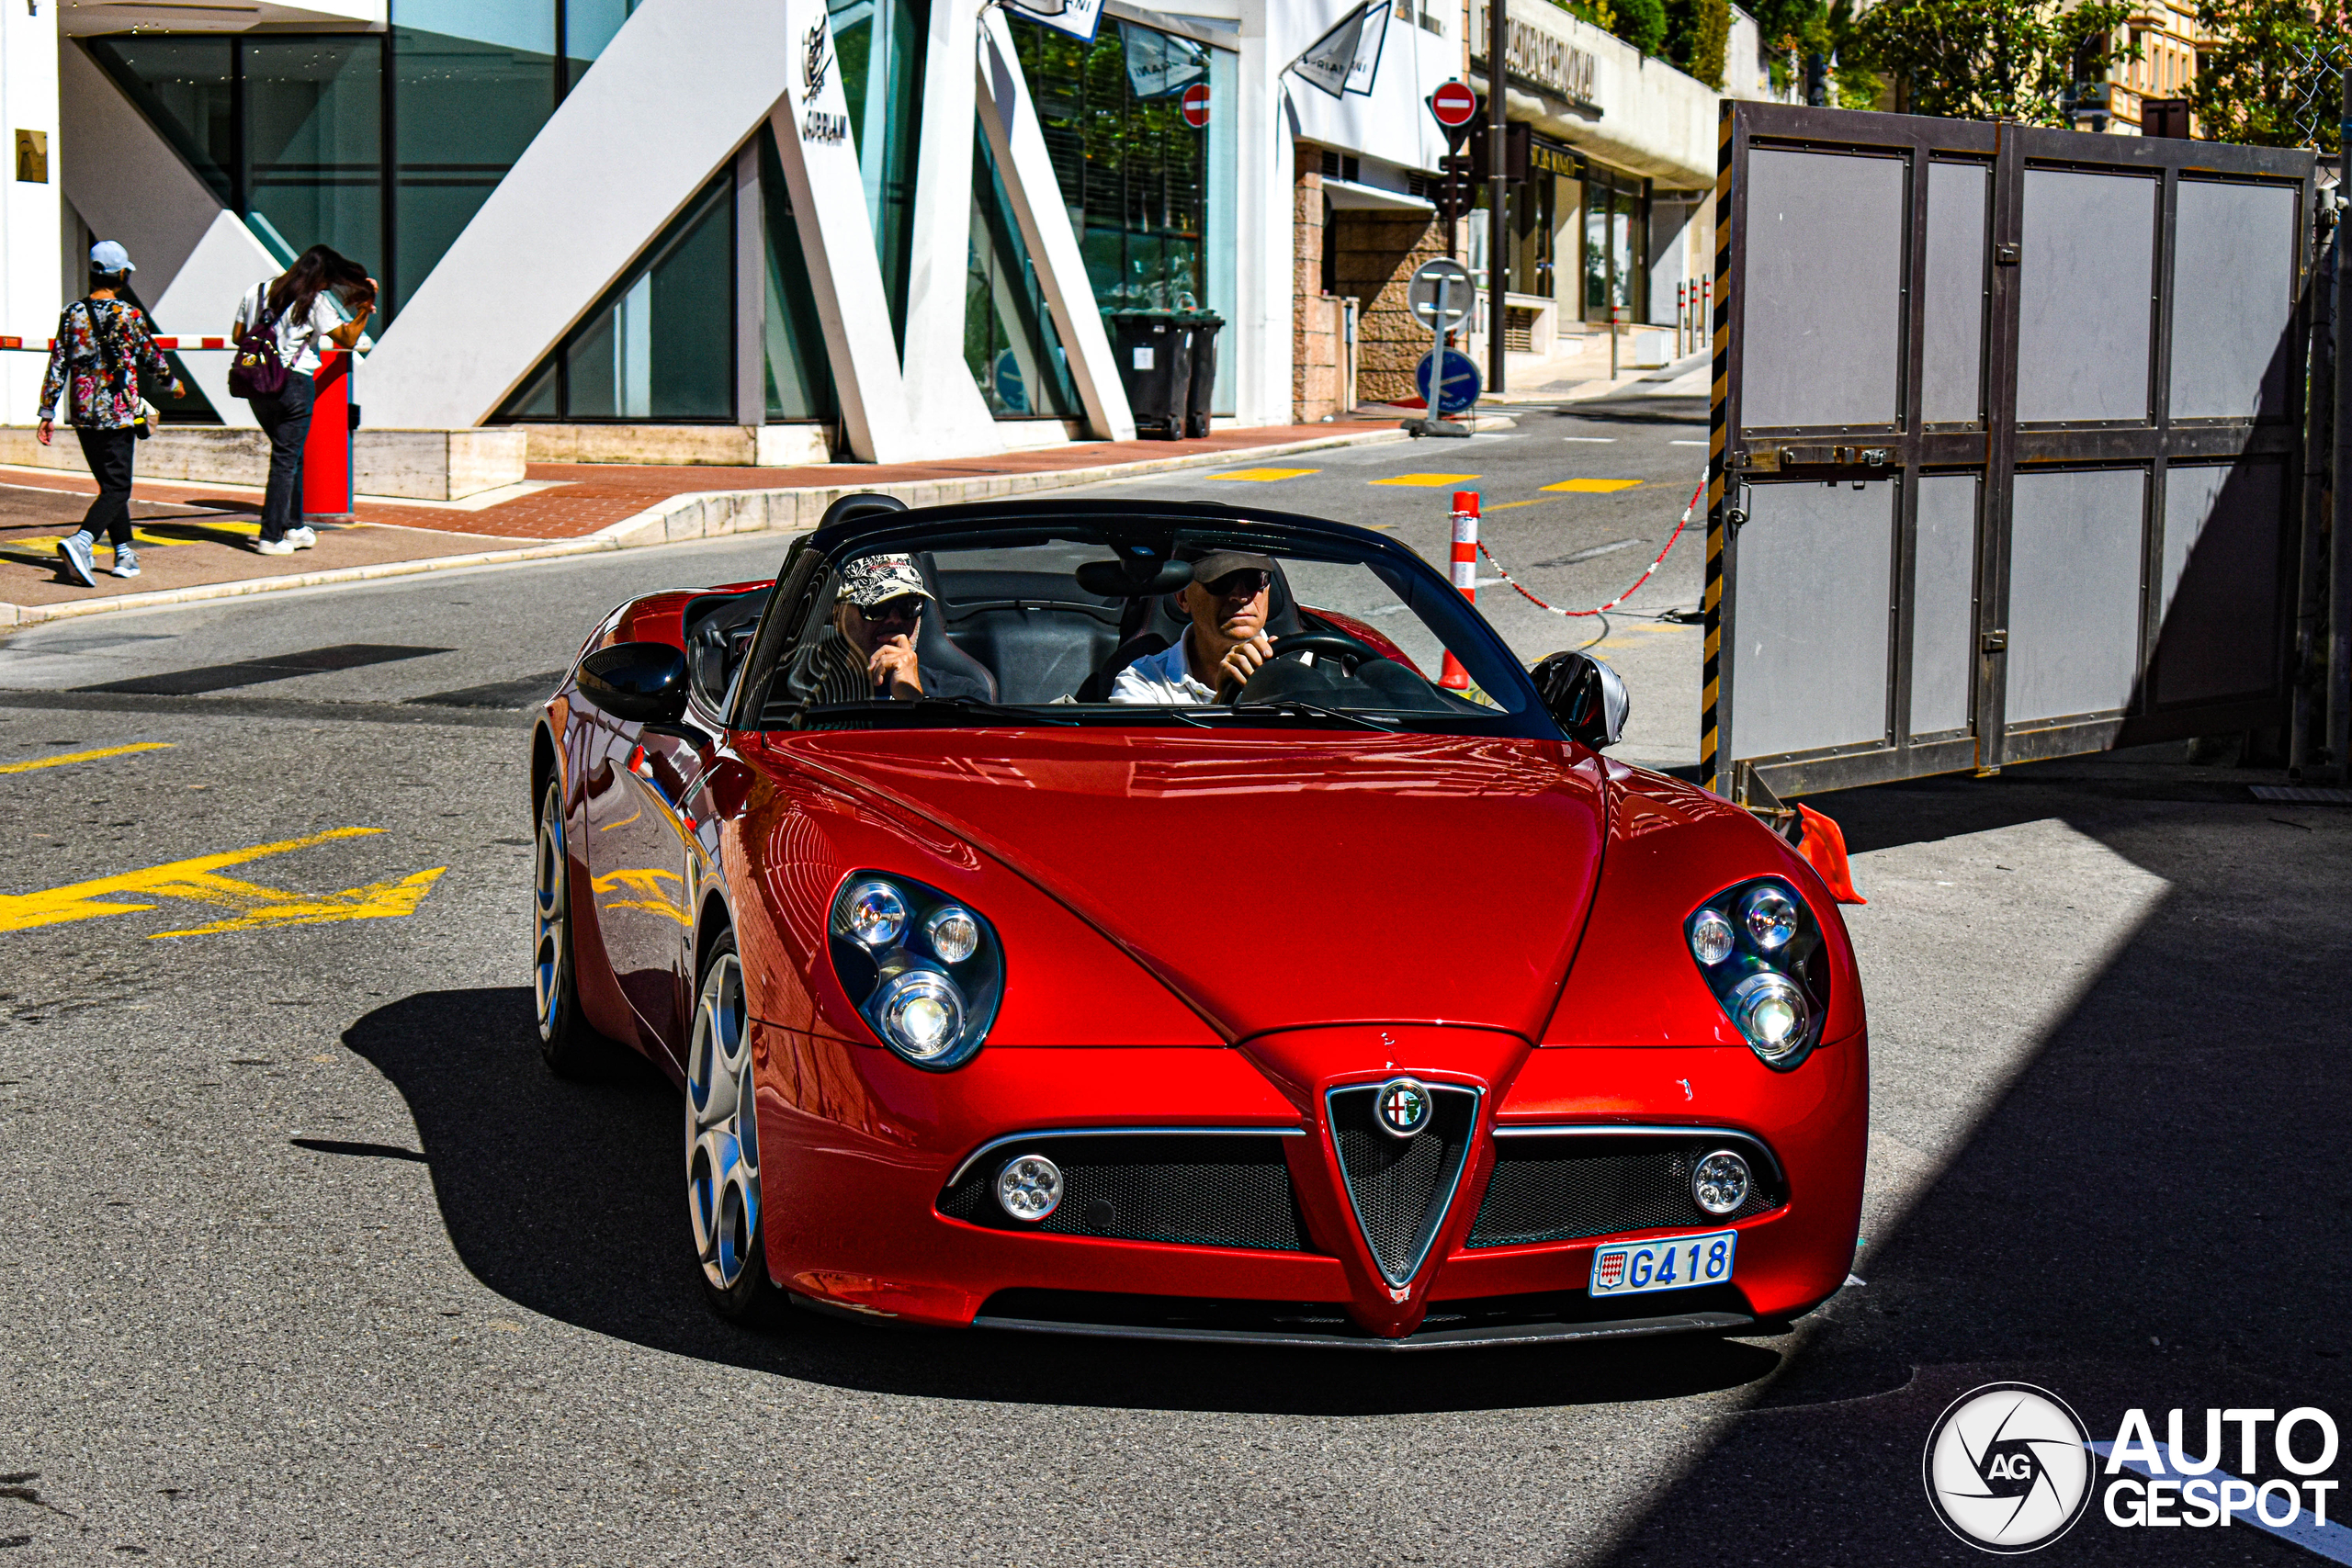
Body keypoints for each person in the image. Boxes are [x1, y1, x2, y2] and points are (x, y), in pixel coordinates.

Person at [36, 241, 187, 585]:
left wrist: (47, 411)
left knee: (109, 485)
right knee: (119, 488)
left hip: (83, 414)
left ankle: (124, 555)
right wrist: (173, 385)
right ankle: (83, 540)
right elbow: (152, 357)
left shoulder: (71, 313)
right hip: (117, 413)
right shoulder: (128, 315)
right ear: (121, 275)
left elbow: (58, 362)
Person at [231, 244, 375, 556]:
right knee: (285, 460)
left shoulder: (256, 291)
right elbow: (347, 339)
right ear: (321, 277)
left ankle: (294, 527)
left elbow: (237, 336)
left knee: (292, 457)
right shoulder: (314, 301)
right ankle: (270, 536)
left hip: (257, 386)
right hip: (293, 384)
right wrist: (364, 309)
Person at [788, 553, 987, 704]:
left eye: (909, 605)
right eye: (876, 607)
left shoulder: (961, 696)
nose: (894, 619)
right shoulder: (798, 694)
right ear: (838, 615)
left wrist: (912, 701)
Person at [1110, 550, 1282, 705]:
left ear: (1267, 588)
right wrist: (1223, 701)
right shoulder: (1144, 682)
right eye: (1221, 582)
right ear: (1183, 598)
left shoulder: (1304, 664)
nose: (1241, 596)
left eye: (1255, 579)